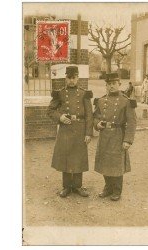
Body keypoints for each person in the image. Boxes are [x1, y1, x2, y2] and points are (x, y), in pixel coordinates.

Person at [47, 66, 93, 198]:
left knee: (79, 157)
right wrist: (60, 117)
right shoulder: (60, 93)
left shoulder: (84, 93)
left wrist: (88, 133)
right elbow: (50, 110)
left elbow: (89, 115)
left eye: (74, 77)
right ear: (65, 78)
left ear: (77, 78)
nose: (71, 80)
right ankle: (66, 186)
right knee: (66, 157)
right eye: (69, 78)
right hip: (65, 129)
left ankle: (78, 186)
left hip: (80, 129)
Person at [93, 72, 137, 201]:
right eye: (109, 84)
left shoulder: (126, 101)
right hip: (105, 136)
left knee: (117, 164)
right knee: (105, 162)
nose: (111, 86)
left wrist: (128, 140)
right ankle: (108, 187)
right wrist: (97, 124)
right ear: (106, 85)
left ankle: (117, 190)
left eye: (113, 84)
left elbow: (132, 122)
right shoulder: (100, 101)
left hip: (118, 135)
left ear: (119, 84)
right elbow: (95, 117)